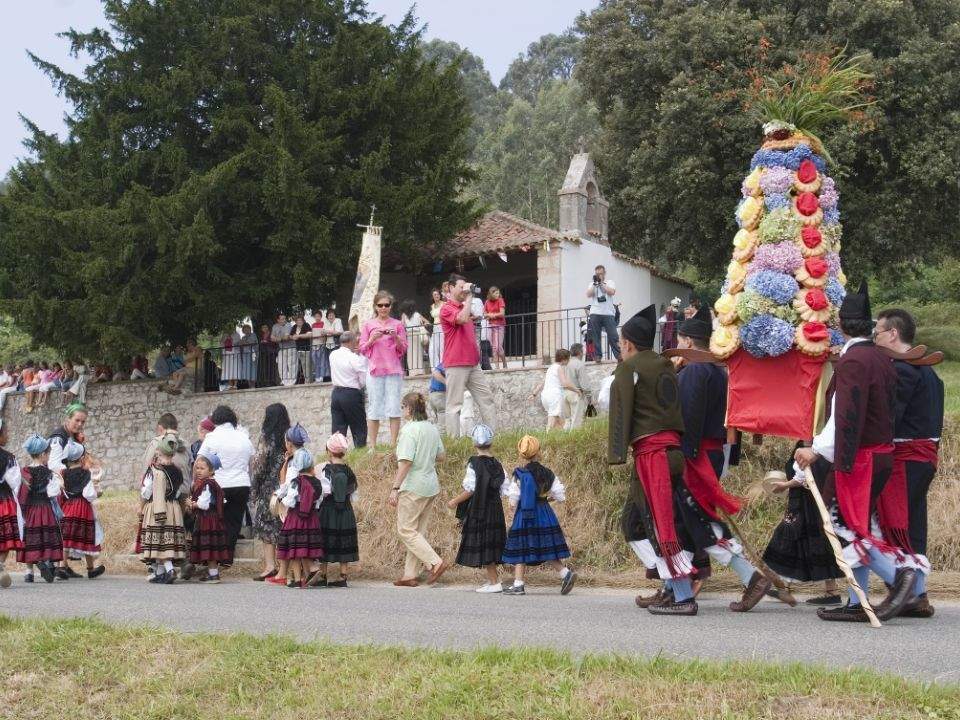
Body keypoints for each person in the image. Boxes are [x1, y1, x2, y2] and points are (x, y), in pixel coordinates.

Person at [794, 282, 916, 622]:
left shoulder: (853, 362)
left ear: (840, 325)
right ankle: (857, 600)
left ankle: (899, 576)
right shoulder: (881, 358)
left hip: (860, 458)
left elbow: (845, 415)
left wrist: (815, 451)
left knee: (844, 526)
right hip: (879, 455)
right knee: (854, 523)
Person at [667, 306, 771, 611]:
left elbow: (690, 417)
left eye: (680, 338)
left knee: (702, 523)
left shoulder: (696, 370)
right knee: (685, 522)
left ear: (687, 341)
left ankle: (751, 577)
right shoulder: (717, 369)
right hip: (708, 452)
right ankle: (676, 586)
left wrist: (684, 457)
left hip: (694, 455)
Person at [608, 305, 699, 615]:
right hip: (672, 452)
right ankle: (671, 584)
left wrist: (616, 452)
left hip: (652, 457)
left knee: (658, 525)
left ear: (629, 344)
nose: (621, 349)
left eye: (621, 344)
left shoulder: (628, 367)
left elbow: (620, 411)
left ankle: (683, 594)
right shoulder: (665, 365)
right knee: (634, 523)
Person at [872, 307, 944, 617]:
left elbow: (889, 419)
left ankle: (906, 592)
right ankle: (919, 593)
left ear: (893, 334)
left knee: (895, 524)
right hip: (924, 458)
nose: (874, 338)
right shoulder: (929, 371)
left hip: (906, 457)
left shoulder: (902, 370)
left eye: (877, 332)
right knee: (913, 525)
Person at [501, 435, 576, 596]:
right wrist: (545, 498)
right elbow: (560, 495)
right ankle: (565, 573)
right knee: (545, 546)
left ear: (521, 454)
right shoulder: (548, 473)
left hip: (525, 514)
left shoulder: (519, 474)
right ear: (538, 452)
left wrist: (511, 509)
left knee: (521, 547)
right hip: (544, 512)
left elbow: (513, 500)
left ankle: (519, 584)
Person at [389, 392, 447, 587]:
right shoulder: (431, 428)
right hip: (430, 485)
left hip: (413, 486)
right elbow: (441, 456)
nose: (402, 410)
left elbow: (405, 463)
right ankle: (410, 574)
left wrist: (395, 488)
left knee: (405, 530)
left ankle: (435, 563)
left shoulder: (408, 431)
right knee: (417, 532)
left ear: (410, 409)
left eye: (403, 406)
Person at [447, 424, 507, 593]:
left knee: (485, 543)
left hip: (480, 509)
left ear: (474, 444)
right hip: (495, 509)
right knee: (491, 544)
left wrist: (454, 501)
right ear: (491, 443)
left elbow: (471, 489)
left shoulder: (474, 463)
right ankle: (493, 580)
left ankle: (495, 582)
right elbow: (504, 488)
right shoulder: (498, 464)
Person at [441, 274, 497, 438]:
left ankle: (490, 437)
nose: (464, 290)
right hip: (456, 363)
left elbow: (475, 315)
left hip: (473, 363)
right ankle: (454, 442)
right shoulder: (447, 308)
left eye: (465, 287)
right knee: (454, 406)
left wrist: (468, 300)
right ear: (451, 288)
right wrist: (470, 296)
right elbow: (462, 318)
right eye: (461, 287)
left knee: (487, 400)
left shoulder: (464, 307)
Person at [198, 405, 255, 560]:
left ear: (215, 420)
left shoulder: (212, 437)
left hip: (219, 484)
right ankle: (228, 556)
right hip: (242, 483)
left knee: (216, 520)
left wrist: (197, 483)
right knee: (234, 521)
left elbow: (200, 460)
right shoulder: (243, 437)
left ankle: (216, 557)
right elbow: (252, 462)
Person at [359, 290, 407, 447]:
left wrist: (395, 337)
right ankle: (372, 445)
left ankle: (393, 444)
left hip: (393, 371)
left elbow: (403, 349)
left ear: (391, 306)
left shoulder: (398, 324)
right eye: (380, 305)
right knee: (374, 408)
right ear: (375, 306)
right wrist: (373, 339)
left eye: (387, 305)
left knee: (394, 407)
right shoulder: (368, 325)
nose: (384, 308)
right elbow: (362, 349)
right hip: (374, 371)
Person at [139, 432, 188, 584]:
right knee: (165, 541)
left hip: (158, 508)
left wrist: (141, 507)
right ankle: (160, 573)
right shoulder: (177, 471)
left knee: (159, 541)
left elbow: (146, 492)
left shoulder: (155, 471)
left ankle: (169, 569)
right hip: (173, 508)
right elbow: (180, 491)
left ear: (159, 452)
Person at [250, 404, 290, 581]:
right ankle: (284, 568)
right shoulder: (288, 437)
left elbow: (259, 466)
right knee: (282, 525)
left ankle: (270, 566)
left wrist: (254, 488)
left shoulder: (267, 438)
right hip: (287, 486)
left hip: (269, 488)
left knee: (266, 526)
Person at [17, 434, 63, 584]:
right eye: (48, 454)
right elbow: (53, 492)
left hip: (30, 510)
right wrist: (59, 484)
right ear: (43, 454)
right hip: (45, 509)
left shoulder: (25, 471)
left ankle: (29, 572)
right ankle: (48, 563)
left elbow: (21, 492)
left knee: (31, 537)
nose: (49, 457)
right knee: (47, 536)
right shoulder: (48, 473)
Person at [316, 432, 359, 587]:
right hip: (346, 510)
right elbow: (354, 493)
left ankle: (323, 575)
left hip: (328, 510)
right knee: (344, 539)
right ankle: (343, 576)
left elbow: (323, 492)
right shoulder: (349, 471)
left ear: (329, 451)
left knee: (326, 539)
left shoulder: (326, 470)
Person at [277, 447, 324, 588]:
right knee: (304, 547)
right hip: (312, 517)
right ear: (310, 465)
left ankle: (298, 580)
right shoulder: (317, 482)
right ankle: (304, 575)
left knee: (294, 550)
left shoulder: (296, 482)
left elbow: (289, 501)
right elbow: (318, 501)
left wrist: (282, 501)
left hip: (296, 517)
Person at [58, 439, 106, 579]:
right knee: (86, 538)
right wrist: (98, 493)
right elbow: (88, 494)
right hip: (82, 508)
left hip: (67, 508)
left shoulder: (63, 472)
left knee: (66, 538)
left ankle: (62, 567)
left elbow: (61, 490)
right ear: (81, 457)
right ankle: (90, 569)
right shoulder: (86, 474)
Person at [186, 450, 231, 584]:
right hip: (212, 519)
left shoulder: (207, 484)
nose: (198, 471)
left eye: (202, 468)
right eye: (197, 468)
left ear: (211, 471)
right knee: (211, 549)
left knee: (210, 548)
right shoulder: (212, 483)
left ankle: (214, 575)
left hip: (207, 520)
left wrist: (192, 504)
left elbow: (204, 504)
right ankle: (213, 573)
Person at [328, 331, 368, 448]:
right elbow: (363, 376)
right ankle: (360, 453)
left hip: (336, 393)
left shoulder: (333, 354)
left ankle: (336, 455)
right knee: (358, 427)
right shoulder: (353, 357)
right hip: (351, 393)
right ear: (351, 342)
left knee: (338, 430)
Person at [530, 349, 581, 430]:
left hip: (545, 396)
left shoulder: (551, 368)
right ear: (564, 359)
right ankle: (547, 437)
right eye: (568, 359)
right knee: (552, 421)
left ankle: (564, 436)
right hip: (554, 396)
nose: (569, 361)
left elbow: (542, 383)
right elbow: (565, 383)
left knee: (559, 421)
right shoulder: (559, 368)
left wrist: (534, 394)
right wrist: (576, 390)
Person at [0, 421, 23, 588]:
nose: (8, 435)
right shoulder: (8, 457)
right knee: (5, 537)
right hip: (3, 500)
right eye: (5, 432)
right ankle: (0, 565)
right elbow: (15, 481)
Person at [586, 265, 620, 362]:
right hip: (595, 312)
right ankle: (598, 356)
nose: (599, 275)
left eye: (600, 273)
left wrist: (601, 284)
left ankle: (619, 355)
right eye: (597, 274)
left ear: (604, 273)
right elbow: (589, 294)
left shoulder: (610, 282)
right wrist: (594, 284)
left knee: (613, 335)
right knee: (596, 335)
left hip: (608, 313)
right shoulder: (592, 283)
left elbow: (611, 292)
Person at [312, 308, 343, 383]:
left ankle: (339, 378)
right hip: (328, 345)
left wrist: (328, 332)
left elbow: (338, 332)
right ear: (327, 316)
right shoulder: (326, 322)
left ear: (335, 315)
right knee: (330, 362)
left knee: (337, 361)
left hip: (336, 344)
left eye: (332, 315)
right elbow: (323, 332)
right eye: (329, 315)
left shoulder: (337, 320)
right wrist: (328, 332)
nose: (331, 317)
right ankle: (332, 377)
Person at [400, 300, 428, 376]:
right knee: (419, 354)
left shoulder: (404, 315)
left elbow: (401, 326)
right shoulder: (417, 314)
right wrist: (422, 326)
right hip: (417, 335)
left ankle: (412, 372)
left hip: (409, 336)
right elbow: (427, 322)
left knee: (410, 355)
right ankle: (420, 371)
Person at [564, 344, 588, 429]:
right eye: (582, 351)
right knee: (576, 421)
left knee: (568, 421)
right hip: (576, 393)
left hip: (565, 393)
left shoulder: (566, 364)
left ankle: (565, 439)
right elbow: (584, 384)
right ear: (579, 352)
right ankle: (573, 441)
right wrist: (589, 397)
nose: (583, 353)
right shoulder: (579, 364)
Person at [484, 287, 507, 369]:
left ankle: (504, 363)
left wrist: (491, 315)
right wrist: (488, 315)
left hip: (499, 325)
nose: (498, 295)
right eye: (496, 293)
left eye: (498, 293)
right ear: (491, 294)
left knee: (498, 346)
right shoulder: (487, 302)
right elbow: (484, 314)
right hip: (491, 326)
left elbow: (502, 314)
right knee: (493, 347)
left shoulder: (500, 300)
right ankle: (497, 367)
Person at [271, 313, 297, 387]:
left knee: (292, 365)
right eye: (282, 319)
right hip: (281, 348)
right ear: (278, 320)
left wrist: (277, 339)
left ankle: (292, 381)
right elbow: (271, 338)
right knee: (281, 365)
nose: (284, 320)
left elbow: (286, 337)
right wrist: (279, 339)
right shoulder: (275, 326)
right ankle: (284, 381)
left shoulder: (288, 325)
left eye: (284, 319)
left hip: (291, 347)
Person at [290, 311, 314, 384]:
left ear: (303, 320)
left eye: (300, 320)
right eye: (297, 320)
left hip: (306, 349)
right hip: (298, 349)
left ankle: (308, 381)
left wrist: (299, 336)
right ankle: (305, 380)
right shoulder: (294, 327)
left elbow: (310, 335)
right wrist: (293, 337)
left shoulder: (306, 325)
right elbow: (291, 335)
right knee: (302, 366)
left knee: (307, 366)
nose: (299, 322)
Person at [428, 285, 448, 369]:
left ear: (440, 295)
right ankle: (435, 368)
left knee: (442, 348)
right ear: (432, 296)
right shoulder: (432, 306)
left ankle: (443, 366)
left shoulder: (444, 304)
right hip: (435, 328)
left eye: (437, 294)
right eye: (434, 295)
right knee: (432, 348)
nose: (436, 296)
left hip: (442, 327)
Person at [257, 323, 279, 387]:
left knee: (271, 367)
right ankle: (265, 382)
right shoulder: (261, 336)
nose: (264, 329)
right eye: (263, 328)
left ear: (268, 328)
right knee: (265, 368)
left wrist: (267, 342)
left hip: (271, 353)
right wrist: (262, 342)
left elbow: (275, 343)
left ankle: (272, 381)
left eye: (266, 327)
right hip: (263, 353)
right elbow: (259, 344)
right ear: (261, 329)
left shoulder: (271, 334)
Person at [221, 325, 241, 390]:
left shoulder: (237, 334)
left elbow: (237, 343)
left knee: (235, 368)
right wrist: (225, 339)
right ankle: (230, 384)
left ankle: (235, 384)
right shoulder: (224, 335)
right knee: (228, 369)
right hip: (227, 354)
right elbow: (221, 344)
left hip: (234, 354)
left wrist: (231, 339)